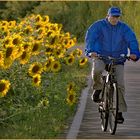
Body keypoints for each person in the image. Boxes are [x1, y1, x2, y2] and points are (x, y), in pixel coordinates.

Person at [85, 6, 140, 123]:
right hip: (101, 56)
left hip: (117, 58)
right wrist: (90, 51)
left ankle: (119, 111)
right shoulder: (98, 26)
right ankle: (98, 88)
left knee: (120, 84)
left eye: (117, 17)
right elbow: (90, 38)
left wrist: (134, 53)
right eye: (112, 16)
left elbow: (132, 40)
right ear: (107, 16)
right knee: (97, 70)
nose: (114, 19)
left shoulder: (124, 28)